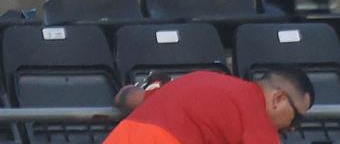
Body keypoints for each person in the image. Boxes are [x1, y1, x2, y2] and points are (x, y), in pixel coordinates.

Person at [108, 68, 313, 144]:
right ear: (278, 99)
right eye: (297, 118)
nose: (293, 127)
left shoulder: (199, 79)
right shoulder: (255, 112)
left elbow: (127, 98)